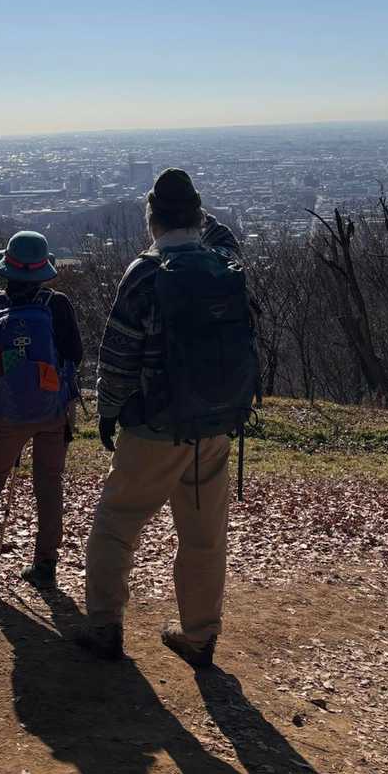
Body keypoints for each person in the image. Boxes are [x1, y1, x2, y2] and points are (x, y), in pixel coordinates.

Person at [77, 169, 254, 668]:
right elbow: (223, 233)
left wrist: (108, 412)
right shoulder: (223, 261)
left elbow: (118, 355)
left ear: (151, 219)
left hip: (154, 425)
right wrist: (193, 208)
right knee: (204, 535)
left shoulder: (146, 273)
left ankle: (105, 626)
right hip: (214, 422)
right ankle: (200, 634)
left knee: (117, 523)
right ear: (197, 215)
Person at [0, 230, 83, 592]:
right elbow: (74, 354)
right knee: (49, 484)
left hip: (7, 413)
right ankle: (45, 565)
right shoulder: (57, 304)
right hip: (52, 408)